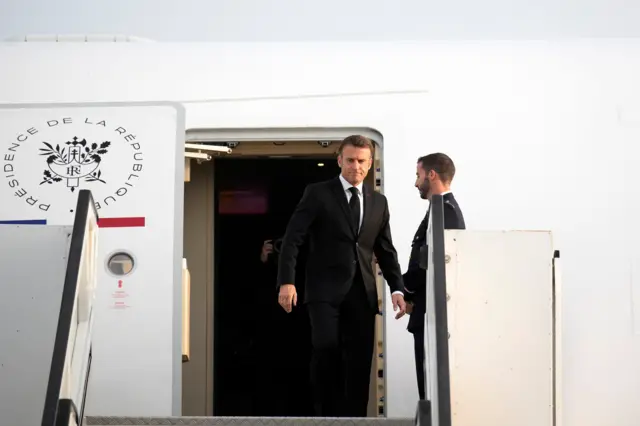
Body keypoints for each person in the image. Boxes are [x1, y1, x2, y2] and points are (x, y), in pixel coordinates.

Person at [276, 135, 407, 417]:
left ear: (370, 164)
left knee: (360, 361)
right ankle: (324, 415)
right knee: (326, 348)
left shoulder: (379, 203)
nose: (355, 167)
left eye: (361, 161)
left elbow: (385, 250)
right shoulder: (318, 193)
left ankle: (356, 419)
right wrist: (287, 281)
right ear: (339, 160)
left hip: (362, 293)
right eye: (350, 160)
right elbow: (292, 239)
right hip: (323, 291)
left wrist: (398, 288)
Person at [403, 153, 465, 400]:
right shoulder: (438, 210)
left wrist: (403, 287)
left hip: (432, 316)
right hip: (424, 308)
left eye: (418, 175)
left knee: (430, 391)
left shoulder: (445, 212)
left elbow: (431, 263)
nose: (416, 183)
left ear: (431, 174)